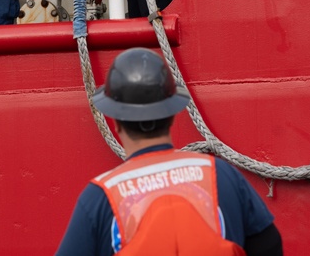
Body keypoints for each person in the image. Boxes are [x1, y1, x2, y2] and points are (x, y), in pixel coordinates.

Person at [55, 48, 283, 256]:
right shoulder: (221, 175)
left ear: (116, 122)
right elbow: (270, 245)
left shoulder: (100, 197)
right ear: (172, 113)